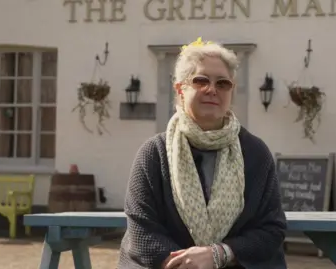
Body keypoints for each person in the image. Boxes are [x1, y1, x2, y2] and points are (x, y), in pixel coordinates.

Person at [117, 37, 287, 269]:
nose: (212, 90)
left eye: (222, 83)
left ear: (231, 90)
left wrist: (218, 254)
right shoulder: (153, 154)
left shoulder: (256, 153)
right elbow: (142, 230)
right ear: (180, 89)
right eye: (201, 81)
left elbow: (271, 229)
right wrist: (186, 264)